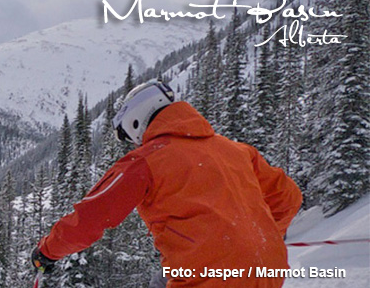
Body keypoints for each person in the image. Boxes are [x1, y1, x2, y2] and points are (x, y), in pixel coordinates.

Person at [30, 80, 302, 288]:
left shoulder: (146, 161)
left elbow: (91, 216)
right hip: (268, 269)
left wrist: (47, 251)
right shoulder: (236, 150)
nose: (134, 142)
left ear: (136, 120)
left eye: (129, 135)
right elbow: (288, 198)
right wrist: (259, 237)